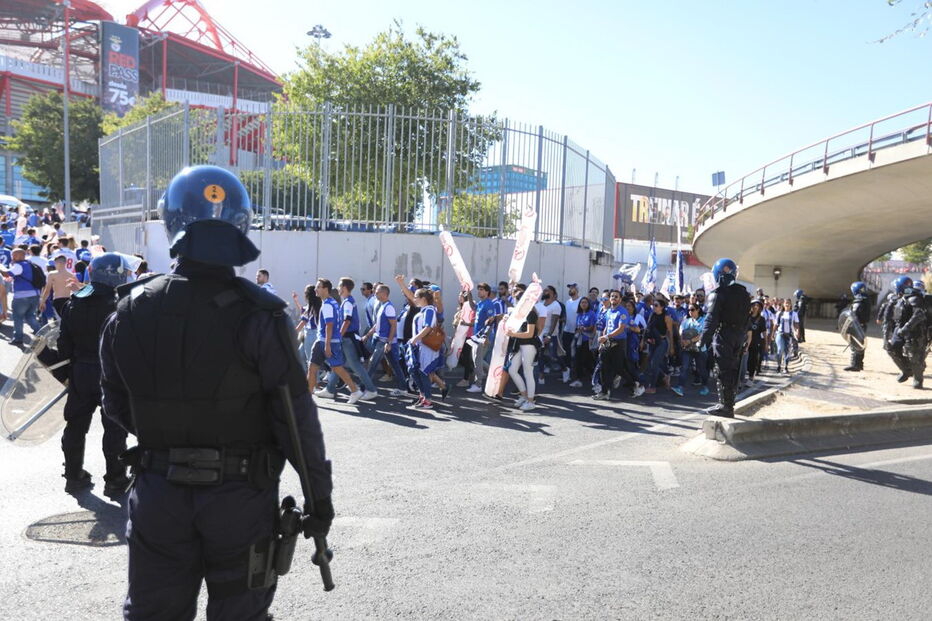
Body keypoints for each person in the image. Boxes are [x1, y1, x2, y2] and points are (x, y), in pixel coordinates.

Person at [98, 165, 334, 619]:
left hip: (158, 492)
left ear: (171, 221)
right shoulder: (263, 316)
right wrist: (318, 500)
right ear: (241, 222)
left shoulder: (126, 311)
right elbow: (296, 420)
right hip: (240, 496)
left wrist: (167, 438)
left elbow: (116, 406)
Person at [56, 253, 130, 497]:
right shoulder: (123, 304)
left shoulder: (74, 301)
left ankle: (73, 475)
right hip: (112, 374)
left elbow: (63, 345)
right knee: (114, 428)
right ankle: (116, 478)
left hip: (80, 372)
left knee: (75, 425)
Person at [700, 258, 751, 417]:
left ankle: (726, 406)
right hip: (739, 335)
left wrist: (702, 340)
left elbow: (711, 320)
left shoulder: (717, 294)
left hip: (724, 335)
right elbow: (747, 319)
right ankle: (729, 403)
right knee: (732, 369)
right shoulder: (744, 294)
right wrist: (743, 339)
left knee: (722, 370)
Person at [320, 277, 379, 401]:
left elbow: (347, 321)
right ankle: (330, 389)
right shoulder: (348, 301)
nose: (338, 288)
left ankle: (371, 390)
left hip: (347, 338)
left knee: (355, 365)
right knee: (338, 364)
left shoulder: (347, 302)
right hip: (347, 338)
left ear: (344, 288)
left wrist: (339, 336)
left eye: (339, 286)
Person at [309, 278, 364, 404]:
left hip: (325, 341)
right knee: (330, 368)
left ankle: (355, 390)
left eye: (318, 287)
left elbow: (329, 325)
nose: (315, 289)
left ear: (325, 289)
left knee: (318, 368)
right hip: (329, 341)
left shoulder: (328, 304)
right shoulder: (332, 302)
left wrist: (327, 345)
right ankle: (354, 390)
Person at [365, 283, 409, 396]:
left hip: (384, 341)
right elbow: (377, 325)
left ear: (384, 294)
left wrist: (389, 342)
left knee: (372, 363)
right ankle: (403, 388)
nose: (375, 293)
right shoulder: (382, 305)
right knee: (395, 364)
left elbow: (393, 325)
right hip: (383, 341)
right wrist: (367, 335)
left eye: (378, 291)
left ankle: (364, 388)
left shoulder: (388, 307)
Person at [407, 288, 443, 409]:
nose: (414, 299)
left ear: (423, 299)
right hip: (419, 346)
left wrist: (415, 338)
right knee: (415, 371)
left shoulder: (429, 310)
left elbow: (427, 327)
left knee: (423, 372)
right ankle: (422, 396)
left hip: (427, 347)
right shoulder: (424, 310)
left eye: (416, 297)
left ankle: (428, 400)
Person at [506, 285, 539, 411]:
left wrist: (513, 334)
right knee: (512, 370)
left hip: (529, 345)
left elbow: (530, 334)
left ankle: (530, 401)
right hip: (520, 345)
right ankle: (524, 396)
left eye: (519, 299)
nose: (516, 301)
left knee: (528, 373)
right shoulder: (520, 313)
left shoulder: (530, 313)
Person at [0, 247, 43, 345]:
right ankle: (41, 333)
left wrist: (0, 267)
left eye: (13, 255)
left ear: (17, 256)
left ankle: (18, 338)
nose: (12, 257)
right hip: (35, 295)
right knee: (30, 316)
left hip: (22, 297)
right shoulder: (30, 264)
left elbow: (7, 274)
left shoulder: (19, 265)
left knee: (18, 317)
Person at [890, 277, 927, 389]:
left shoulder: (914, 298)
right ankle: (906, 370)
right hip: (900, 331)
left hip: (914, 333)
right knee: (892, 348)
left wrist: (905, 329)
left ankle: (918, 379)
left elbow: (919, 315)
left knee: (914, 357)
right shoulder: (902, 298)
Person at [672, 302, 710, 397]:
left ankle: (705, 386)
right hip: (687, 349)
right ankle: (680, 387)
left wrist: (689, 341)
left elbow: (702, 334)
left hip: (700, 349)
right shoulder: (687, 321)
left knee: (701, 369)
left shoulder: (704, 320)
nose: (690, 312)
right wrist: (682, 340)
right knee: (684, 367)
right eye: (689, 310)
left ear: (698, 310)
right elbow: (681, 330)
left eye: (692, 309)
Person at [844, 281, 871, 372]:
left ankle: (855, 365)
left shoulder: (858, 301)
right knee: (860, 344)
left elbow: (853, 315)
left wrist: (849, 327)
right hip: (863, 325)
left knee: (855, 345)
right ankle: (859, 364)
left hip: (857, 326)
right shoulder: (866, 299)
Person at [570, 296, 597, 388]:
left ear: (588, 304)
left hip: (587, 340)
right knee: (578, 359)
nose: (583, 304)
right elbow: (577, 326)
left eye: (585, 302)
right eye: (582, 303)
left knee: (588, 360)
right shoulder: (579, 314)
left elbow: (593, 326)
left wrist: (584, 328)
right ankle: (579, 379)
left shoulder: (591, 313)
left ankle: (593, 377)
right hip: (579, 340)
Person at [560, 283, 581, 383]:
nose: (570, 290)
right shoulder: (567, 302)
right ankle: (566, 373)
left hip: (576, 332)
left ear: (576, 290)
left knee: (574, 355)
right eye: (569, 289)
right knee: (565, 352)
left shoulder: (581, 301)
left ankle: (575, 376)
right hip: (566, 330)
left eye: (572, 288)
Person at [771, 299, 799, 374]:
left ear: (790, 305)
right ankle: (779, 365)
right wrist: (773, 334)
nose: (787, 304)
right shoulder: (779, 313)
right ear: (783, 304)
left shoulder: (794, 314)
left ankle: (786, 366)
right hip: (780, 334)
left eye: (788, 303)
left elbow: (796, 324)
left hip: (789, 335)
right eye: (786, 303)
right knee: (780, 350)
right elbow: (776, 324)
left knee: (787, 352)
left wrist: (797, 332)